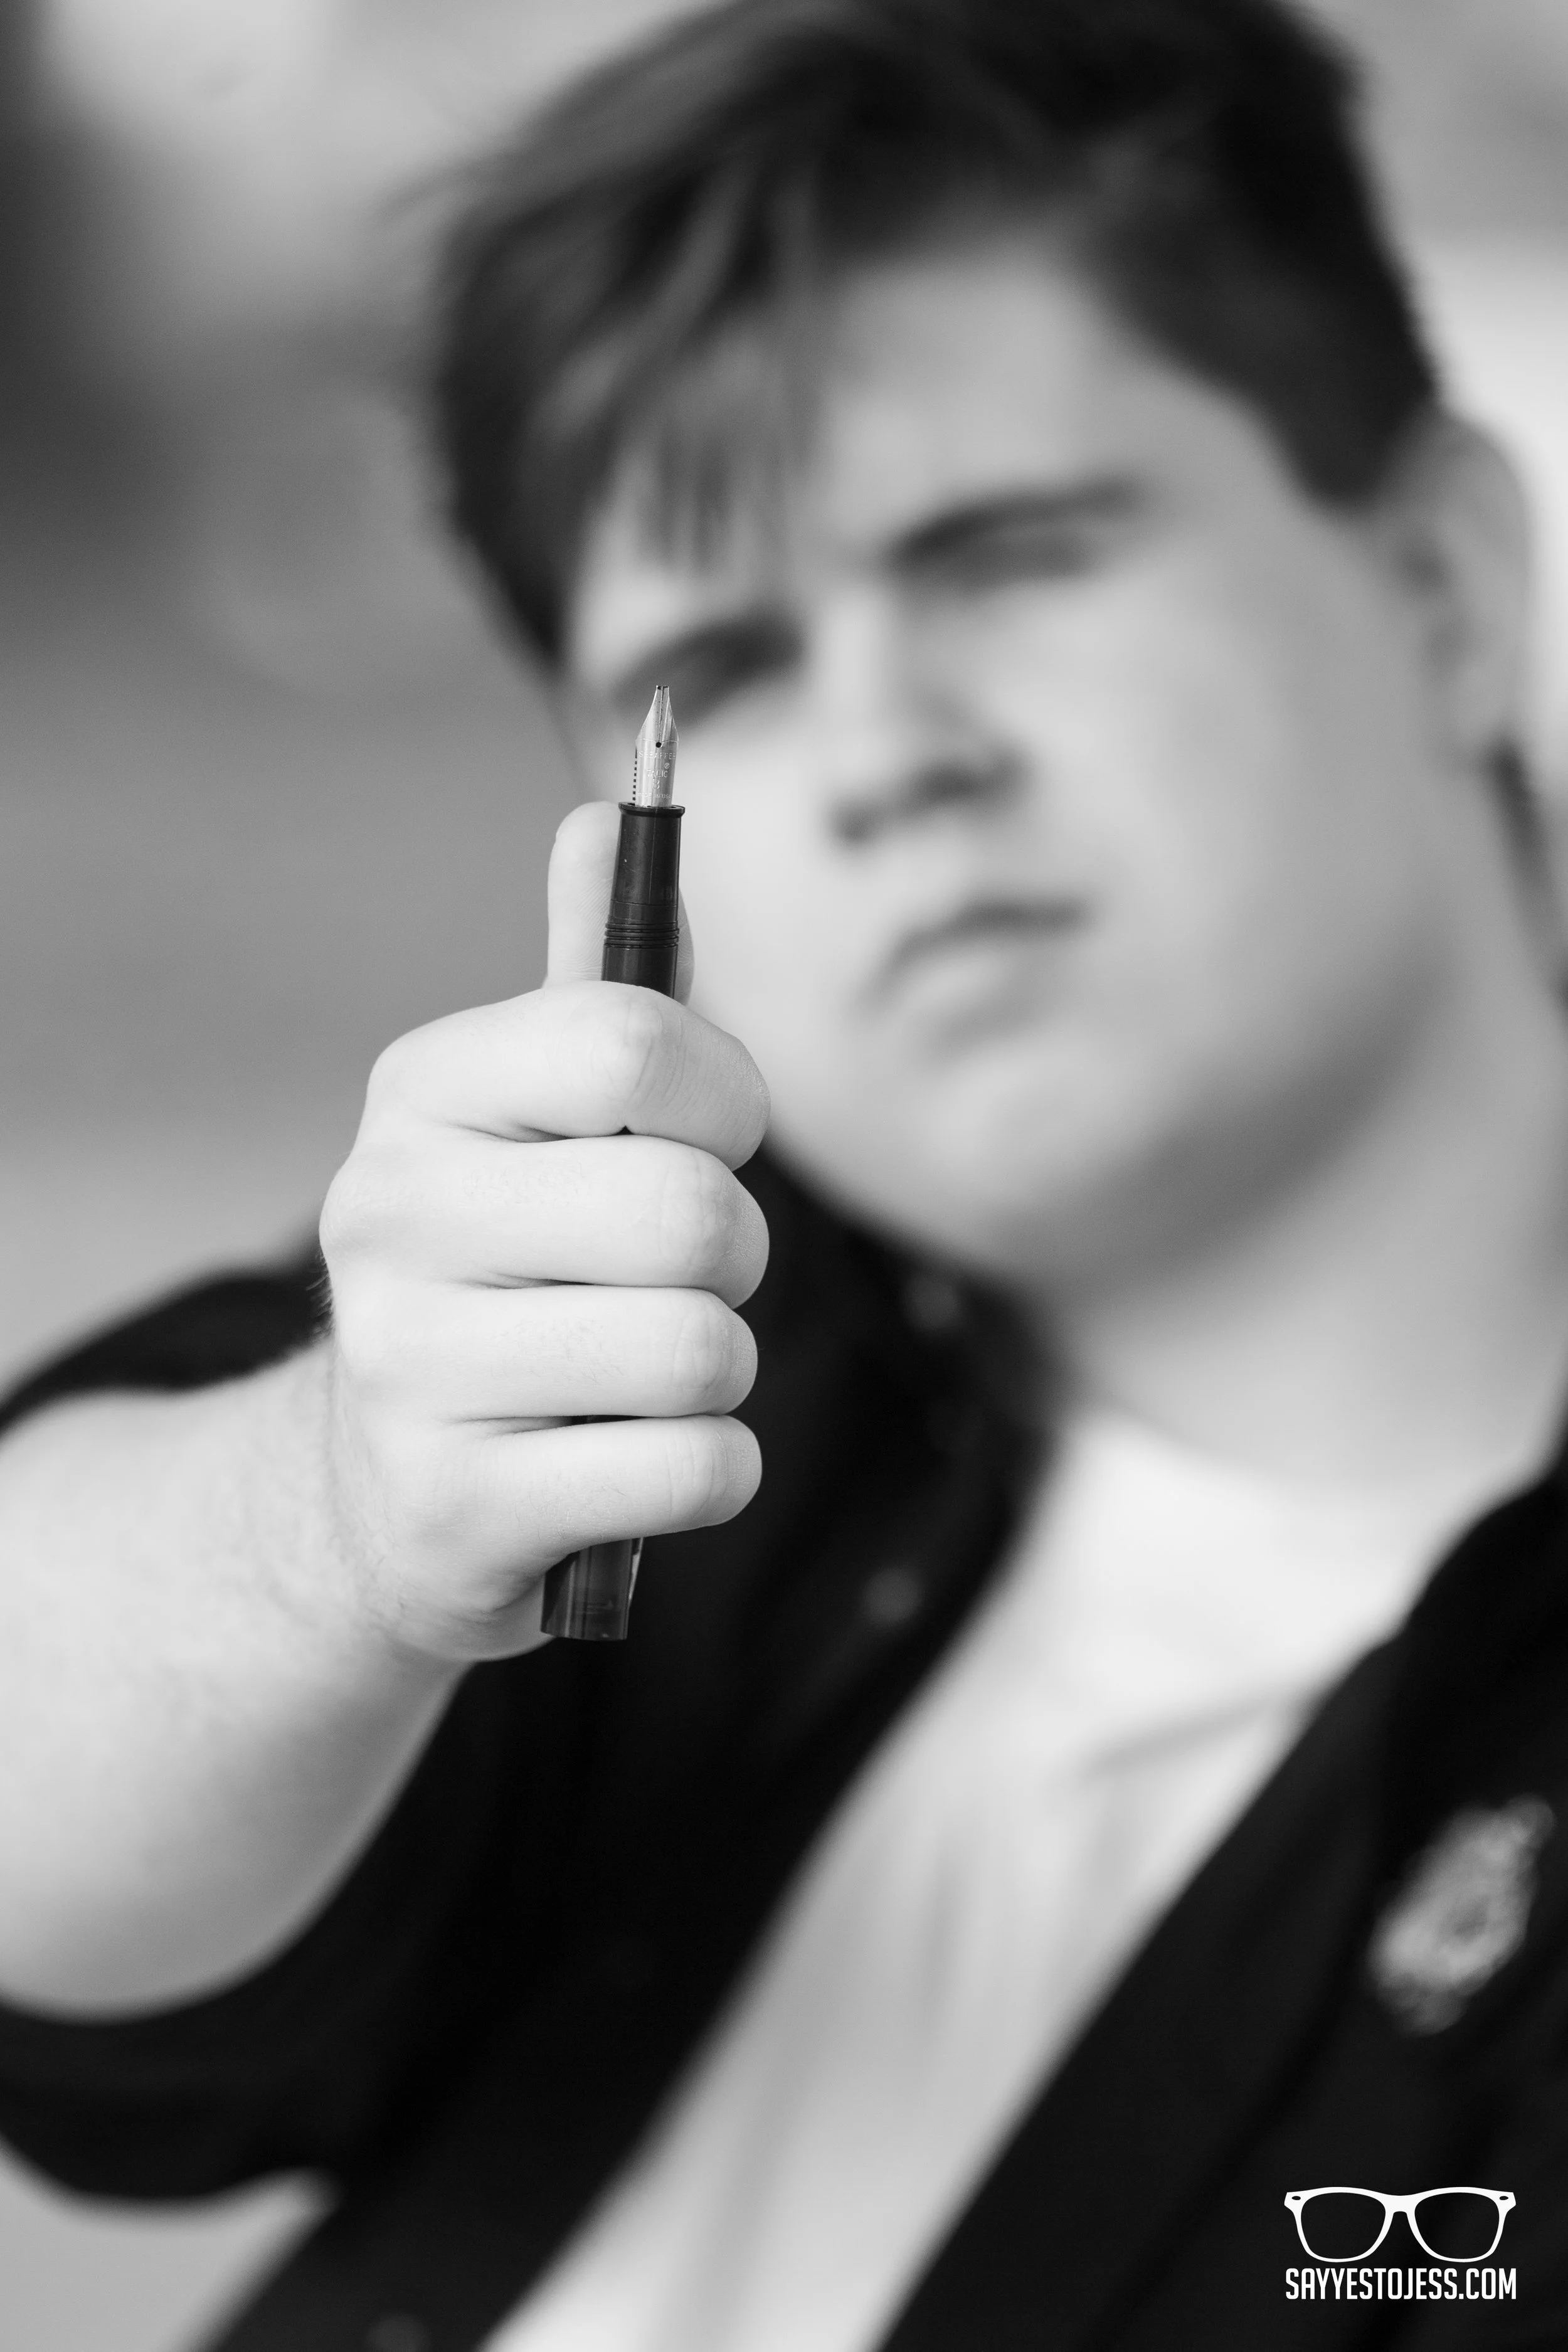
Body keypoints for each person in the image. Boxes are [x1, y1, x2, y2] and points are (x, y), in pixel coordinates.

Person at [3, 0, 1568, 2342]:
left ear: (1441, 581)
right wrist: (347, 1511)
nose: (879, 752)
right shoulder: (655, 1377)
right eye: (721, 665)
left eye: (1012, 552)